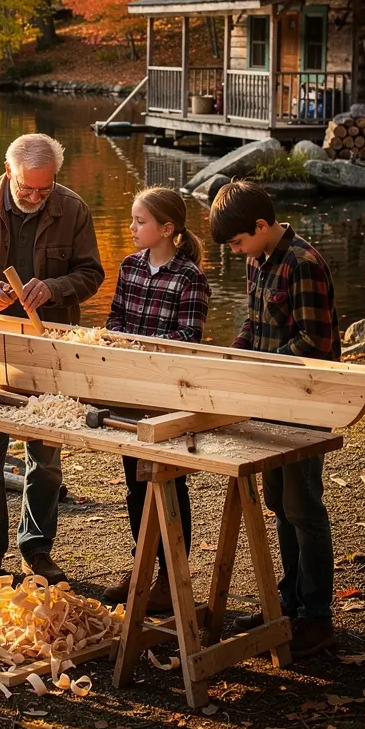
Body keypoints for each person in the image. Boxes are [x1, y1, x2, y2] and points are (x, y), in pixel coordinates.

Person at [0, 132, 105, 588]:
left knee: (46, 458)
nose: (34, 197)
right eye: (26, 188)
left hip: (49, 347)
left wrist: (54, 288)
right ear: (8, 171)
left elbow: (92, 273)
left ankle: (36, 547)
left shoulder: (72, 209)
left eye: (43, 190)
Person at [209, 179, 339, 659]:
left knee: (304, 507)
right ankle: (285, 600)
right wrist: (236, 356)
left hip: (305, 401)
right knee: (279, 504)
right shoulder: (257, 259)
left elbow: (315, 344)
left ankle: (316, 616)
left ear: (262, 226)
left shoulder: (303, 264)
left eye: (240, 241)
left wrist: (263, 367)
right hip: (269, 398)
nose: (237, 250)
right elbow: (253, 323)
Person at [103, 188, 210, 611]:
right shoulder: (130, 266)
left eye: (140, 221)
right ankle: (143, 563)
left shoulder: (189, 277)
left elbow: (189, 339)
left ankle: (171, 574)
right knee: (135, 485)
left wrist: (141, 345)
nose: (131, 228)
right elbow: (114, 319)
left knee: (168, 482)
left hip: (169, 396)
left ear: (167, 229)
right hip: (129, 393)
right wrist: (118, 341)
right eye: (132, 220)